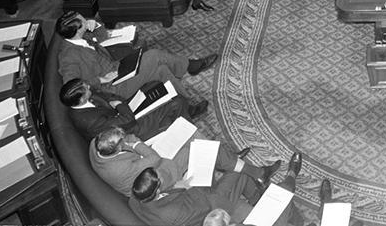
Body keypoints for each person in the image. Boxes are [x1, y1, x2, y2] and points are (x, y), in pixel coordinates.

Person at [56, 10, 217, 100]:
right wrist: (99, 80)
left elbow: (103, 36)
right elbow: (71, 87)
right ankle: (191, 66)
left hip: (119, 69)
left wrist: (95, 24)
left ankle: (188, 104)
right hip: (113, 87)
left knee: (161, 70)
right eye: (82, 20)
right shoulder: (68, 57)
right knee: (154, 55)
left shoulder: (79, 36)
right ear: (77, 29)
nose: (85, 19)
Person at [90, 126, 270, 198]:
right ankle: (256, 173)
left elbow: (128, 137)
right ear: (117, 148)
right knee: (196, 148)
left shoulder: (97, 144)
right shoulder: (119, 168)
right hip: (160, 178)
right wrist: (136, 144)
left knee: (191, 133)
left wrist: (131, 143)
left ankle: (223, 159)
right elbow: (154, 158)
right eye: (121, 142)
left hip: (144, 167)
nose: (125, 139)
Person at [129, 153, 301, 226]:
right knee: (282, 195)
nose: (164, 174)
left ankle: (259, 185)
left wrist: (176, 186)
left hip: (199, 204)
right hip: (210, 211)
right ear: (157, 191)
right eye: (161, 179)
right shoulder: (171, 213)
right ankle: (292, 173)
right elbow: (205, 205)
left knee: (241, 173)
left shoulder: (135, 196)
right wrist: (195, 185)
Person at [59, 79, 192, 142]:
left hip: (123, 113)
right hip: (130, 129)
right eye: (86, 88)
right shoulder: (90, 122)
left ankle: (182, 113)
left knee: (153, 85)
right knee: (177, 102)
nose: (89, 86)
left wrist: (120, 103)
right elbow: (128, 121)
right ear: (81, 100)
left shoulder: (83, 98)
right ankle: (188, 127)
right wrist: (119, 106)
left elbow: (109, 96)